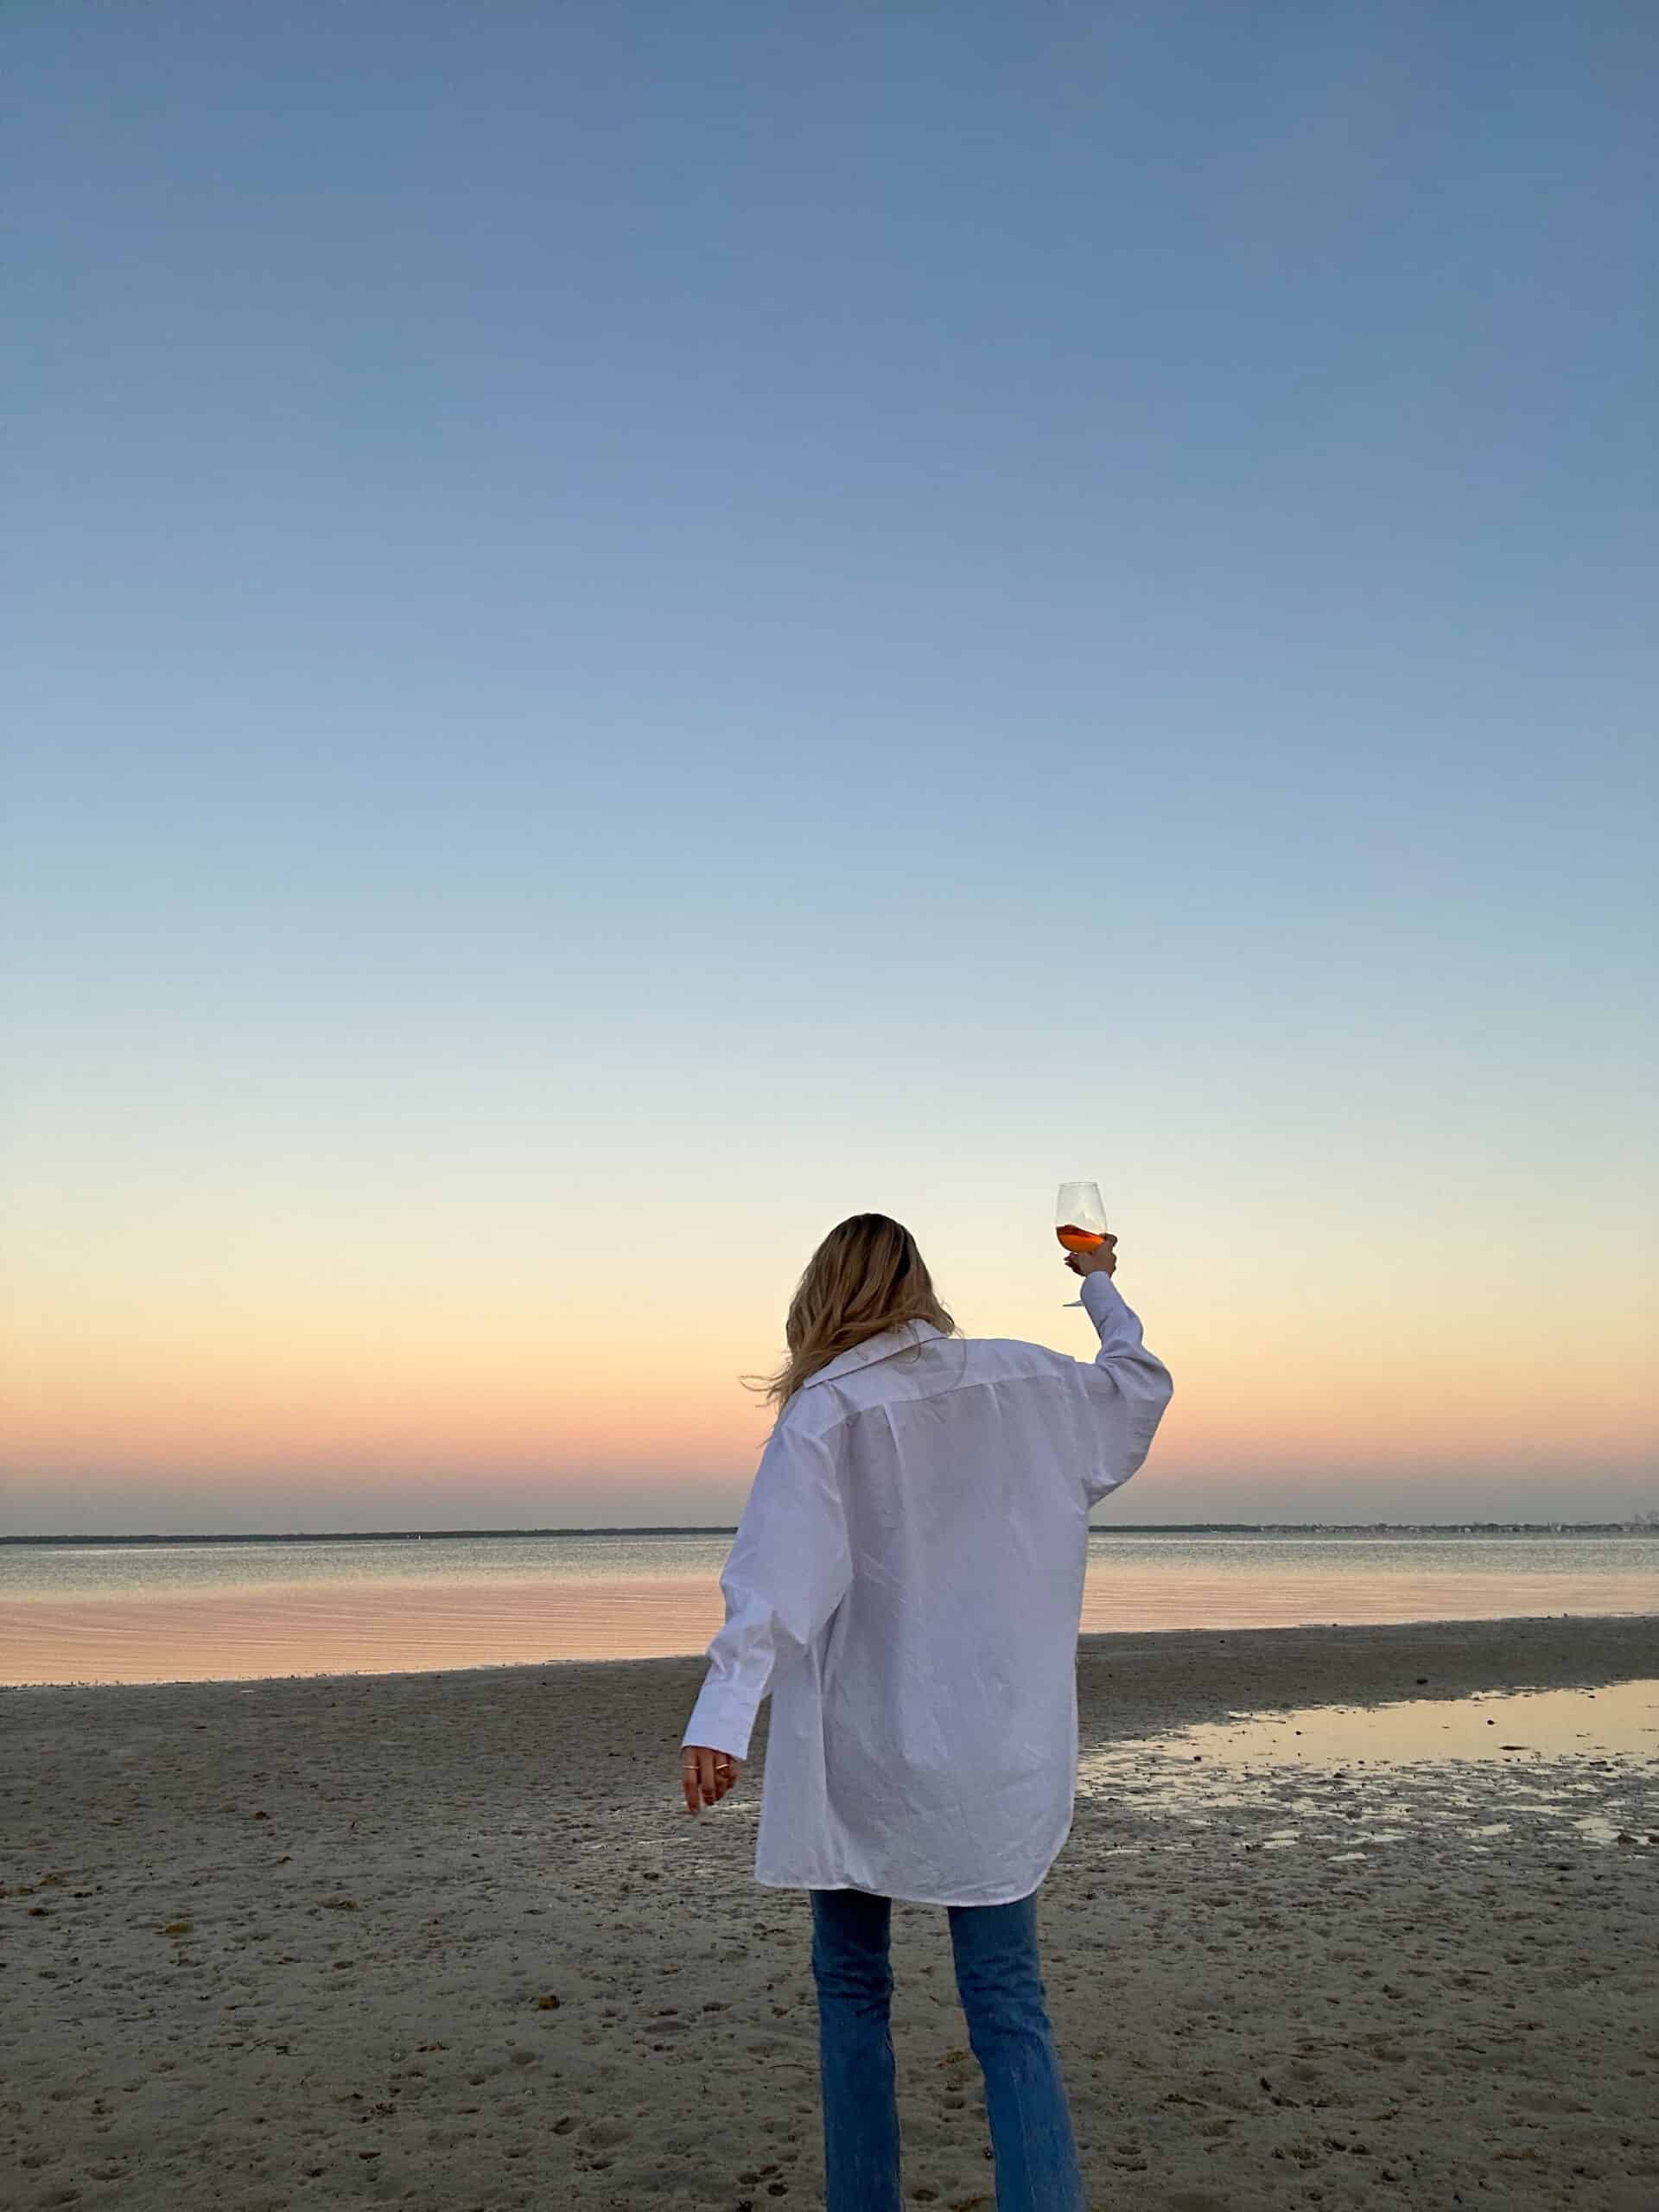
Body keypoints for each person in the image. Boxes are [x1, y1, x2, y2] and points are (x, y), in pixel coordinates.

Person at [678, 1211, 1174, 2212]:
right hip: (997, 1746)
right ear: (918, 1283)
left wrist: (724, 1714)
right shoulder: (1031, 1381)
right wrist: (1098, 1282)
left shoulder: (824, 1410)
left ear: (821, 1297)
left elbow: (777, 1578)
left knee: (854, 1997)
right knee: (1008, 2009)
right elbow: (1138, 1383)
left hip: (864, 1743)